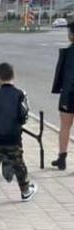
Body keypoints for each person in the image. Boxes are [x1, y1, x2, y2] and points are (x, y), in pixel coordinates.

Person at [0, 63, 37, 207]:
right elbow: (23, 116)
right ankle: (25, 190)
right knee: (18, 163)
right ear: (13, 76)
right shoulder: (20, 95)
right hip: (13, 136)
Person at [50, 21, 74, 170]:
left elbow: (66, 75)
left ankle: (62, 157)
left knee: (65, 126)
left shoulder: (69, 52)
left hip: (69, 94)